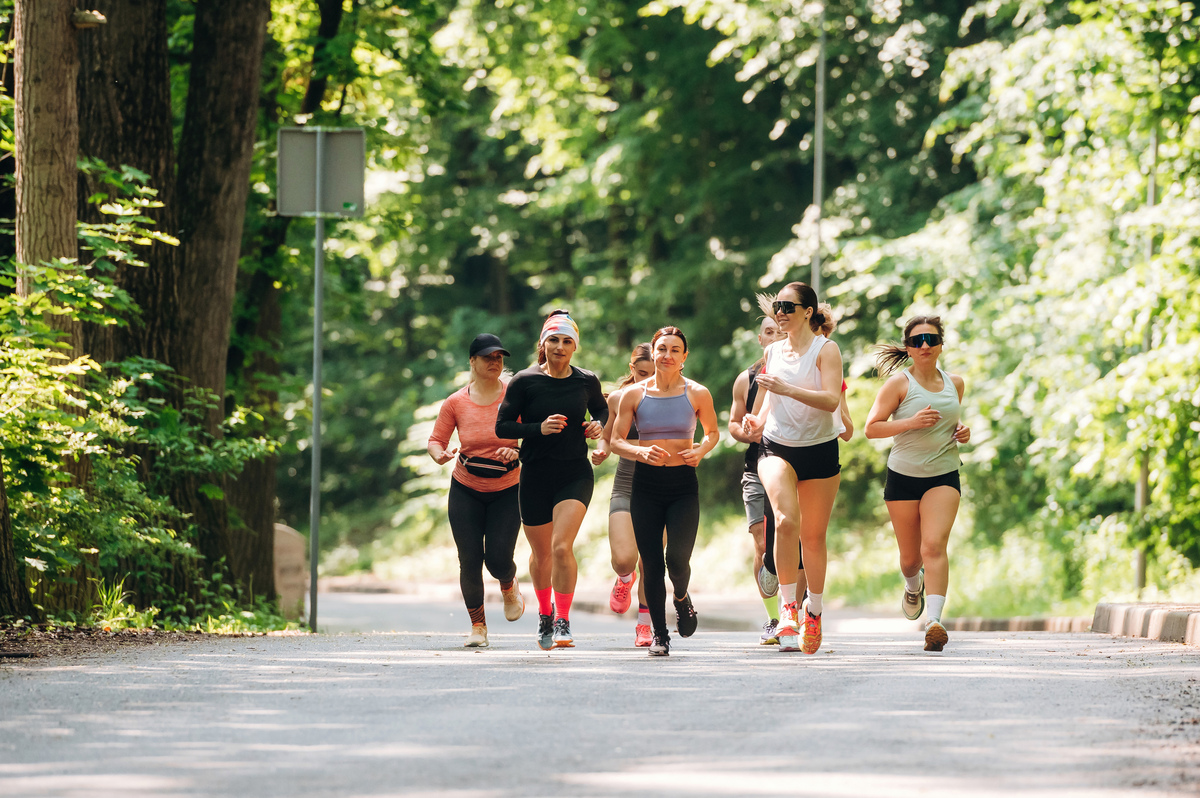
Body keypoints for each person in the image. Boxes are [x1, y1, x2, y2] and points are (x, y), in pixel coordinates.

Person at [495, 310, 608, 650]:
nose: (560, 347)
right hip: (535, 474)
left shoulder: (586, 380)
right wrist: (538, 429)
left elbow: (602, 409)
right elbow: (502, 426)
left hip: (574, 473)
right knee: (541, 553)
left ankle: (563, 620)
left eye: (567, 341)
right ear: (543, 344)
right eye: (554, 340)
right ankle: (545, 614)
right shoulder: (524, 381)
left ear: (575, 346)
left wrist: (598, 425)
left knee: (561, 547)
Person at [743, 282, 845, 654]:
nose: (781, 312)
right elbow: (767, 398)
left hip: (819, 449)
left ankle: (812, 609)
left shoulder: (826, 349)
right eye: (778, 306)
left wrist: (786, 389)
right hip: (776, 446)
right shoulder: (772, 350)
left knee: (813, 538)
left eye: (788, 306)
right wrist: (756, 420)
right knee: (785, 521)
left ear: (808, 312)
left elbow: (831, 399)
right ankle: (788, 609)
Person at [611, 326, 720, 656]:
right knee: (652, 563)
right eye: (662, 349)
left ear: (684, 356)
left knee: (676, 559)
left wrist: (701, 450)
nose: (667, 355)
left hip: (683, 486)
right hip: (645, 486)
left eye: (675, 350)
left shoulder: (697, 393)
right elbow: (615, 441)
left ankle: (682, 597)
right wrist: (640, 452)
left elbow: (713, 433)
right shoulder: (634, 395)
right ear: (653, 352)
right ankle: (660, 634)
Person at [863, 315, 969, 652]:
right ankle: (913, 586)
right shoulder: (898, 384)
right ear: (908, 348)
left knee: (933, 546)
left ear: (941, 346)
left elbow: (951, 421)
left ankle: (934, 623)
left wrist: (962, 431)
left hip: (943, 473)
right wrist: (910, 422)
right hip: (904, 477)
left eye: (931, 339)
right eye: (917, 341)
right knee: (911, 559)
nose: (925, 345)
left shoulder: (955, 383)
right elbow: (871, 428)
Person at [427, 333, 525, 648]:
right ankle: (478, 627)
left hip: (507, 489)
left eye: (499, 357)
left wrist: (518, 450)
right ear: (472, 361)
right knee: (469, 559)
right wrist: (439, 454)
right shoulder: (456, 402)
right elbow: (436, 440)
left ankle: (508, 584)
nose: (494, 362)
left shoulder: (516, 396)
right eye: (487, 357)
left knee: (497, 559)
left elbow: (535, 435)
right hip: (466, 488)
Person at [592, 343, 656, 646]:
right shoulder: (619, 398)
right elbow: (606, 438)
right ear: (632, 369)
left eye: (654, 373)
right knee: (624, 559)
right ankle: (624, 578)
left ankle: (644, 624)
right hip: (627, 484)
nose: (648, 380)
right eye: (642, 373)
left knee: (650, 562)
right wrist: (601, 451)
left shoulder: (676, 397)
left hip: (661, 487)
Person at [728, 311, 786, 645]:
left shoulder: (800, 374)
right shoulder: (746, 379)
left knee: (789, 541)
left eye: (780, 331)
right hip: (755, 470)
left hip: (790, 468)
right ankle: (773, 618)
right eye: (769, 332)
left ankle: (793, 611)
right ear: (761, 339)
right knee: (763, 545)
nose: (774, 337)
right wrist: (747, 433)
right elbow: (734, 423)